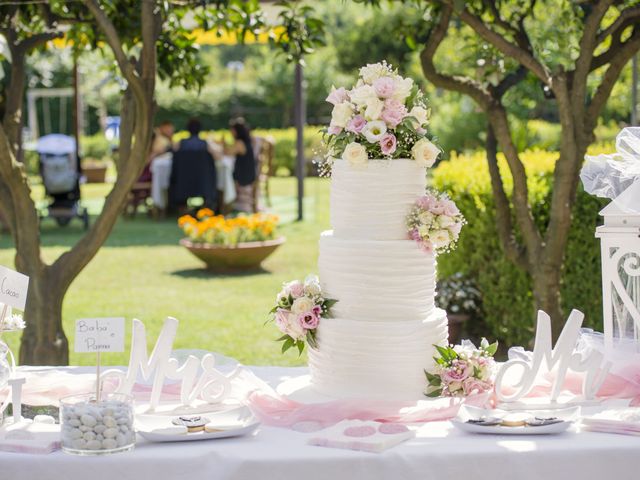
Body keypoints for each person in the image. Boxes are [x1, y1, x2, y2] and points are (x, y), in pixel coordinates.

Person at [168, 118, 218, 212]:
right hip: (202, 181)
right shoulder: (204, 144)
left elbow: (173, 155)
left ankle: (179, 207)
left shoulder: (181, 143)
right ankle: (208, 206)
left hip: (183, 181)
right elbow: (217, 157)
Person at [223, 118, 256, 212]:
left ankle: (224, 205)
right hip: (248, 172)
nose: (231, 133)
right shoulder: (245, 141)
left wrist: (223, 144)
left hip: (244, 175)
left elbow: (227, 152)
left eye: (232, 131)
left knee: (224, 177)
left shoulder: (240, 143)